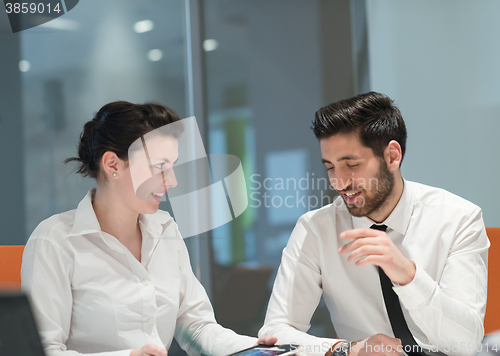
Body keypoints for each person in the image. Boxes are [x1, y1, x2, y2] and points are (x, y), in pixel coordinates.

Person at [21, 101, 276, 356]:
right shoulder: (54, 240)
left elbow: (196, 326)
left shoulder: (165, 229)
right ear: (112, 165)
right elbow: (43, 351)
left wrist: (252, 348)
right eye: (159, 166)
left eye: (172, 165)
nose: (172, 180)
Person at [258, 92, 489, 356]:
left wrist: (407, 275)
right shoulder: (316, 229)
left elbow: (467, 344)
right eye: (330, 167)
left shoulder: (459, 218)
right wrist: (347, 349)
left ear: (392, 156)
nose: (339, 182)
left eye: (351, 164)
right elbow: (274, 332)